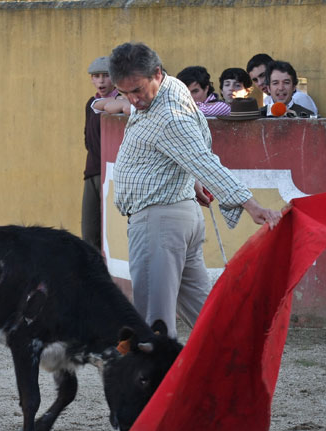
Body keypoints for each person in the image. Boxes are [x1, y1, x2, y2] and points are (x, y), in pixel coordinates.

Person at [108, 42, 282, 338]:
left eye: (137, 90)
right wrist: (192, 180)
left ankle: (161, 384)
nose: (133, 100)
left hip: (158, 221)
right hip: (179, 216)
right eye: (124, 93)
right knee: (208, 316)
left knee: (154, 322)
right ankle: (240, 366)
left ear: (156, 74)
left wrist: (251, 205)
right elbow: (195, 141)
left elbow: (203, 159)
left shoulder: (168, 116)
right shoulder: (172, 87)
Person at [82, 56, 117, 250]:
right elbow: (88, 137)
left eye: (106, 76)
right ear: (92, 80)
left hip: (113, 173)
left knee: (111, 234)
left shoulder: (122, 102)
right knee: (90, 232)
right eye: (97, 76)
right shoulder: (91, 103)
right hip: (93, 171)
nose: (101, 81)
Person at [247, 54, 318, 115]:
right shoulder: (261, 112)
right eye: (275, 83)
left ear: (294, 86)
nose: (281, 88)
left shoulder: (301, 103)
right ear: (269, 87)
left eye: (286, 82)